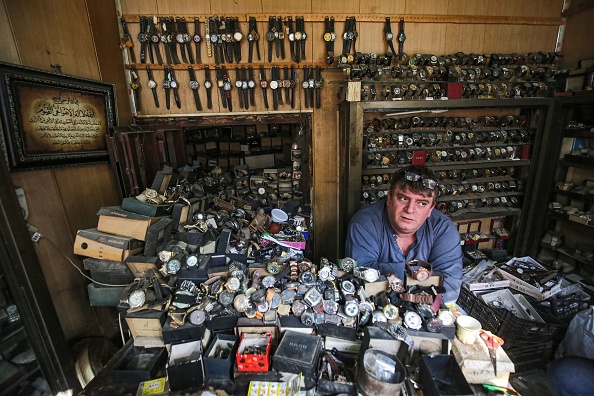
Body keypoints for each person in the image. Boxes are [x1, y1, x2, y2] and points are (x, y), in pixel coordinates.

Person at [345, 165, 463, 303]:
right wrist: (421, 276)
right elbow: (361, 281)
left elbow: (450, 290)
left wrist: (388, 272)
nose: (410, 209)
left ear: (431, 208)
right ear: (389, 198)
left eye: (422, 203)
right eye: (403, 198)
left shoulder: (443, 229)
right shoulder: (364, 224)